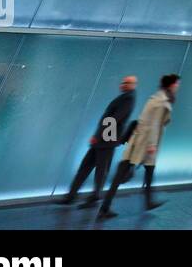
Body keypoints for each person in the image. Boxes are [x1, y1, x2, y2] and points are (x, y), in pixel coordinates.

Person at [98, 73, 180, 219]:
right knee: (123, 173)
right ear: (172, 85)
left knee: (147, 171)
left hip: (140, 141)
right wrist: (152, 144)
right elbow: (153, 124)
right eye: (177, 84)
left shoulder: (157, 98)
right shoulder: (160, 101)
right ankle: (105, 207)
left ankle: (147, 201)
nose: (178, 87)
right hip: (144, 144)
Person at [59, 75, 137, 208]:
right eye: (123, 82)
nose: (123, 84)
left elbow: (115, 119)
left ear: (133, 85)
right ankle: (72, 196)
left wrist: (99, 136)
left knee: (99, 170)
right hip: (104, 139)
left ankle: (93, 197)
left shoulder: (128, 99)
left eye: (127, 83)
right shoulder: (125, 98)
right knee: (87, 167)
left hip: (106, 140)